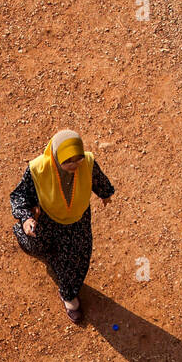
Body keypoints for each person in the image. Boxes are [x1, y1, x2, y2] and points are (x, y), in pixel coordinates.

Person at [10, 129, 115, 323]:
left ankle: (69, 296)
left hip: (78, 222)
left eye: (78, 159)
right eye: (68, 161)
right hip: (48, 220)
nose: (74, 165)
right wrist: (26, 219)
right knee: (38, 246)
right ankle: (23, 235)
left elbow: (97, 178)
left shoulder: (88, 163)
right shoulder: (38, 169)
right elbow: (20, 196)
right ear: (56, 156)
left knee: (75, 258)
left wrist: (105, 193)